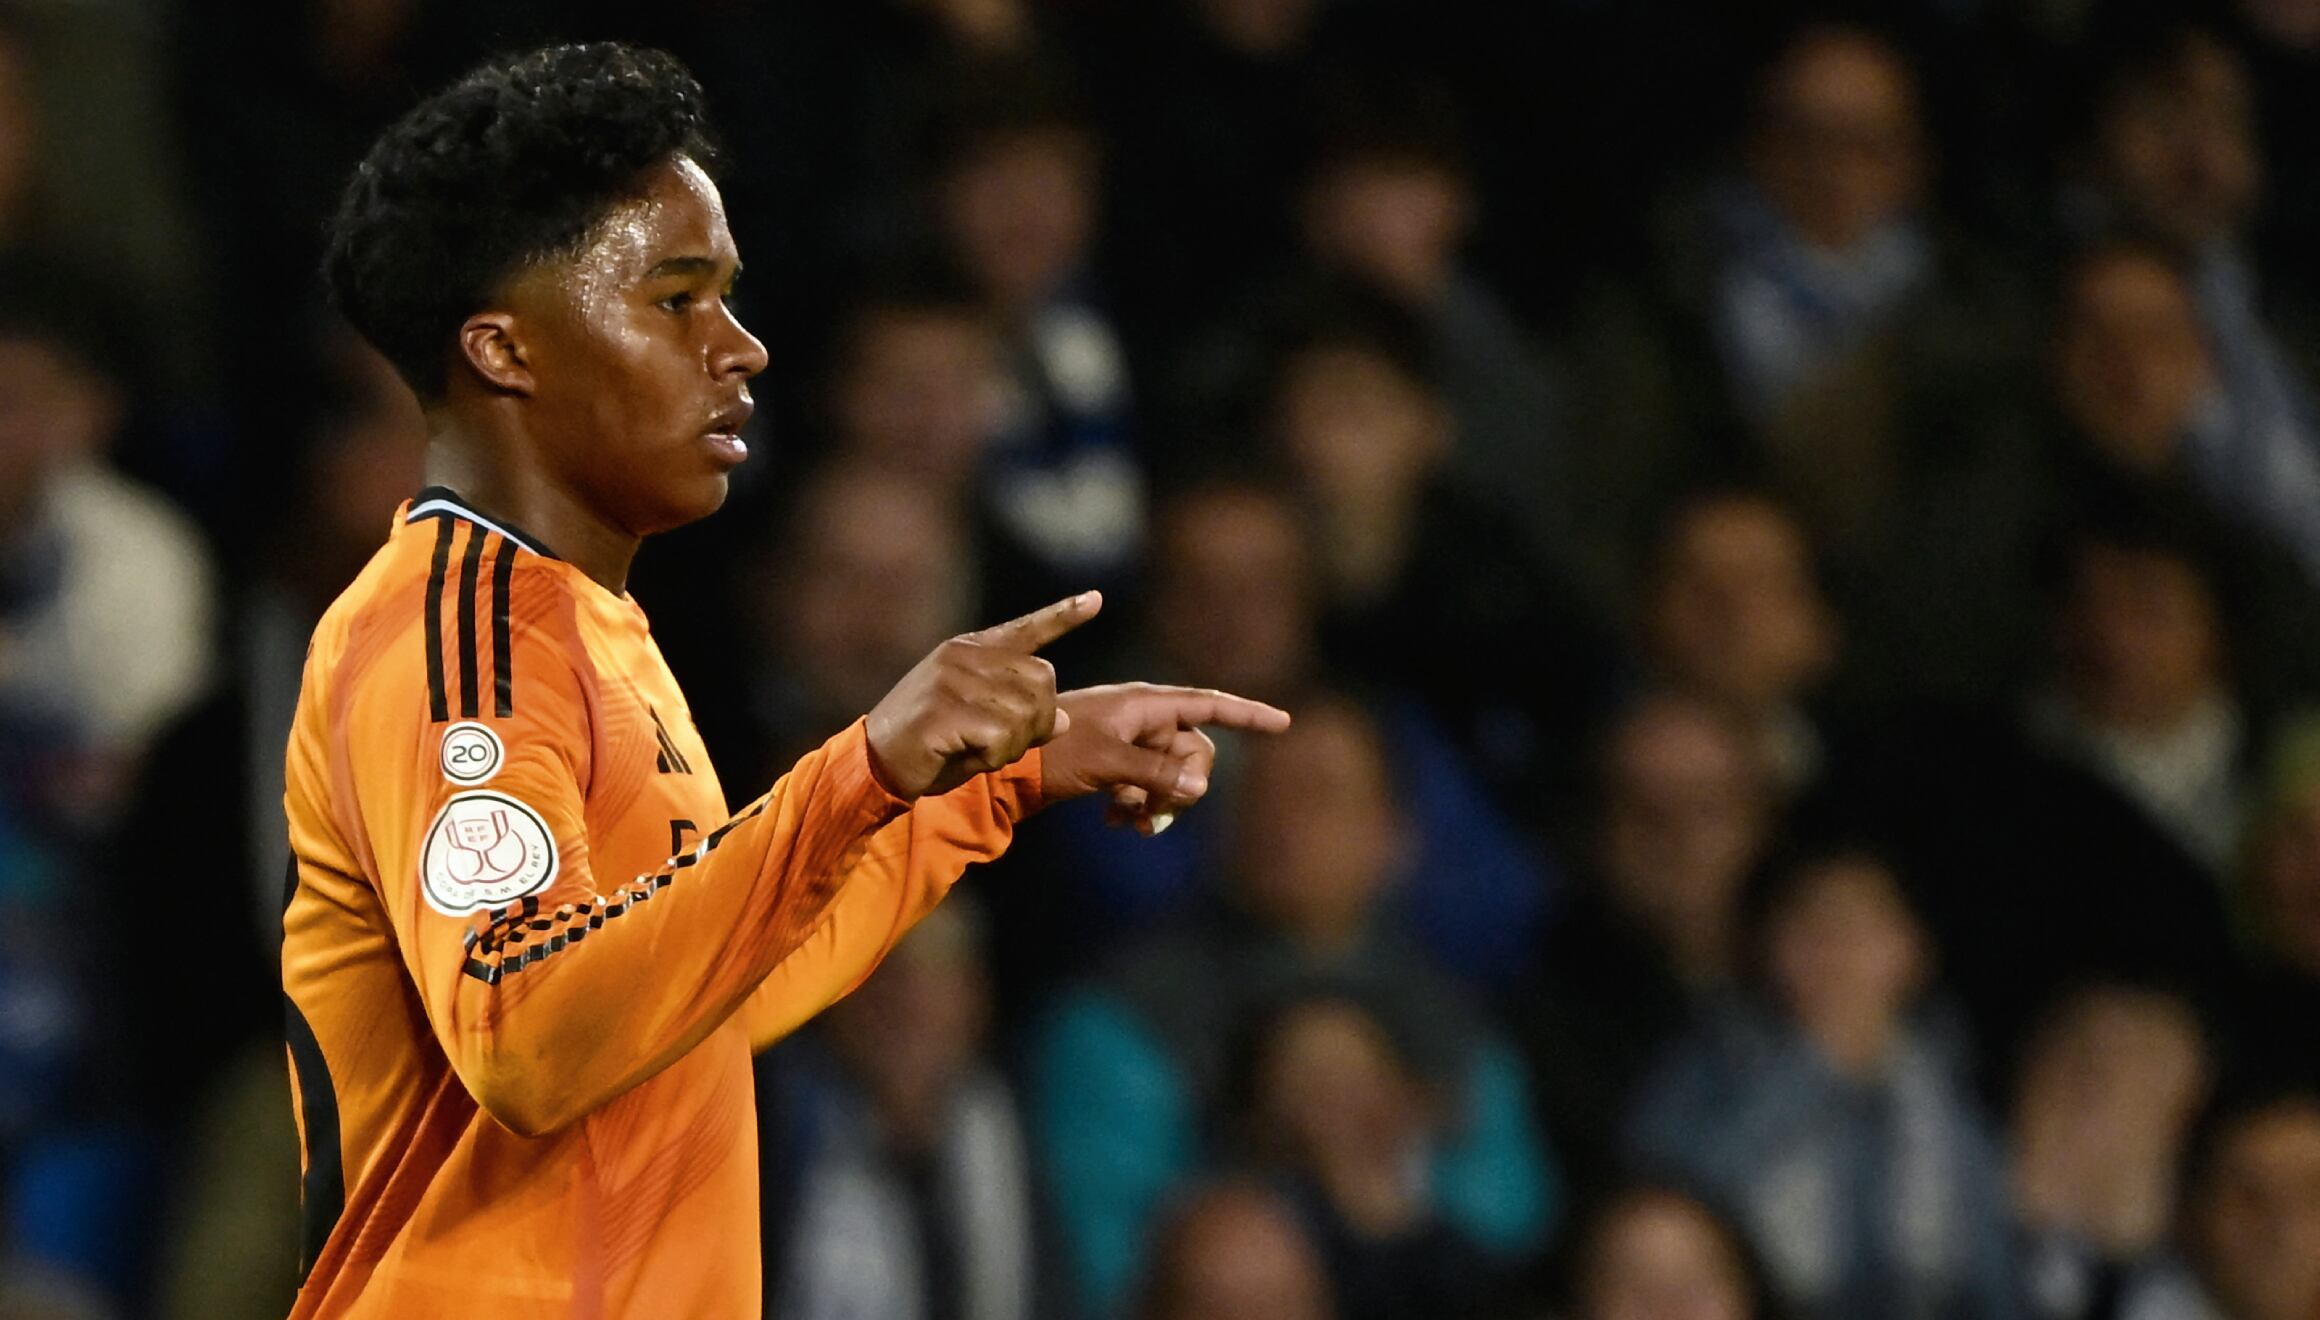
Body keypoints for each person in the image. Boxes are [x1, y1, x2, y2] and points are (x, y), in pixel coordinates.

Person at [284, 43, 1288, 1318]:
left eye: (732, 299)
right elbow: (530, 1036)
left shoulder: (587, 632)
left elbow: (695, 1016)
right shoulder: (455, 639)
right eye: (675, 301)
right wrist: (859, 766)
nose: (743, 350)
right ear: (505, 352)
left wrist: (998, 781)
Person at [1628, 843, 2018, 1320]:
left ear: (1912, 951)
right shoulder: (1706, 1066)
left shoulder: (1949, 1094)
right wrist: (1807, 1076)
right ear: (1771, 947)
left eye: (1860, 928)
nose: (1836, 952)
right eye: (1811, 927)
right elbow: (1663, 1220)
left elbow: (1991, 1277)